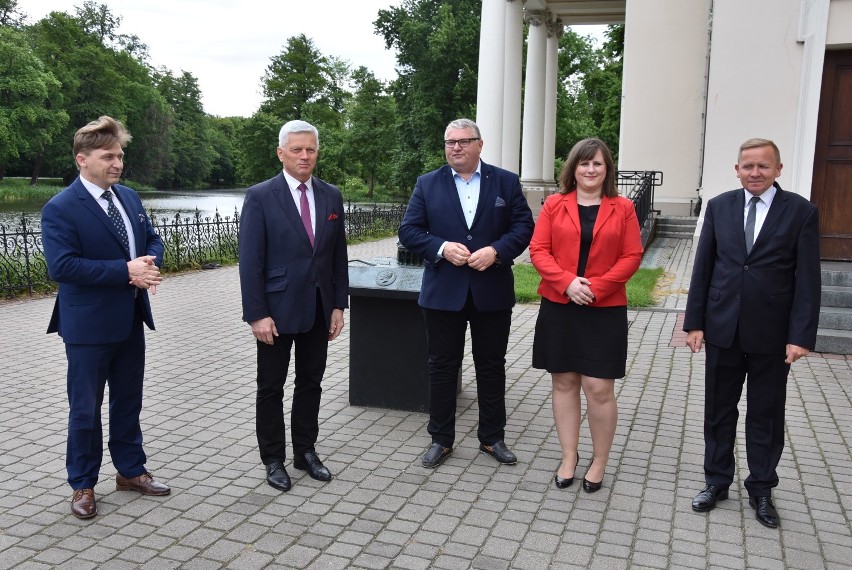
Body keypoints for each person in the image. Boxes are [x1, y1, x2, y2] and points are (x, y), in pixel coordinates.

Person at [684, 138, 820, 528]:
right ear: (737, 169)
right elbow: (703, 268)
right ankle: (716, 481)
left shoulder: (801, 212)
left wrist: (800, 336)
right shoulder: (720, 206)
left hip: (773, 336)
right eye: (748, 166)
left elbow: (807, 280)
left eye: (763, 166)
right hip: (723, 328)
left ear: (779, 169)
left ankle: (761, 488)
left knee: (766, 414)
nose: (755, 173)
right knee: (718, 410)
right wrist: (694, 323)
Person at [41, 116, 170, 520]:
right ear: (82, 159)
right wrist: (126, 271)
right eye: (108, 156)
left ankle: (130, 472)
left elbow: (151, 239)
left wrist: (148, 263)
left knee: (129, 401)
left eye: (120, 156)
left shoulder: (128, 198)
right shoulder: (61, 208)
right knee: (85, 408)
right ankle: (82, 483)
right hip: (87, 327)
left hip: (131, 318)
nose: (117, 163)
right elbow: (63, 267)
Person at [399, 118, 534, 469]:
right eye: (449, 142)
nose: (455, 147)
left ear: (479, 144)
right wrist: (442, 247)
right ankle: (440, 439)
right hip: (444, 292)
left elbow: (523, 227)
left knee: (491, 367)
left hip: (491, 291)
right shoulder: (427, 184)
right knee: (442, 367)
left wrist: (498, 251)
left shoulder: (506, 182)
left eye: (463, 141)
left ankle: (492, 438)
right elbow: (409, 231)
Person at [238, 120, 349, 492]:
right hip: (276, 310)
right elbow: (250, 261)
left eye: (311, 149)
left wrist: (338, 305)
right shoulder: (260, 196)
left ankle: (305, 451)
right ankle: (273, 458)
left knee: (311, 383)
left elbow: (337, 257)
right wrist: (257, 313)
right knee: (271, 386)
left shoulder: (331, 195)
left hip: (319, 307)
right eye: (297, 149)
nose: (305, 156)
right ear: (281, 152)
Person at [529, 138, 643, 493]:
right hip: (560, 305)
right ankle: (568, 455)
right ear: (573, 169)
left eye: (597, 164)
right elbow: (539, 250)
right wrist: (566, 283)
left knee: (598, 388)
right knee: (563, 382)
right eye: (584, 163)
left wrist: (596, 286)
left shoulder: (623, 207)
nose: (590, 170)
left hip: (603, 308)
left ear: (607, 169)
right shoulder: (554, 204)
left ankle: (599, 461)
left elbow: (632, 255)